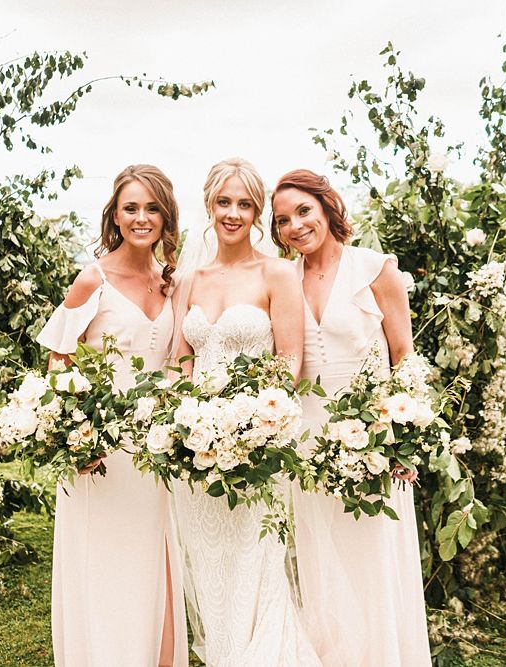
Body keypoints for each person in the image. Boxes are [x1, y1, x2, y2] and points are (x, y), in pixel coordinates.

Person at [271, 169, 431, 666]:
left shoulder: (375, 269)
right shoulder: (285, 280)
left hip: (375, 436)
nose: (295, 226)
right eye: (282, 220)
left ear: (326, 206)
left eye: (303, 211)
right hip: (308, 440)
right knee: (323, 561)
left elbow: (405, 355)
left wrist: (405, 437)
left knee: (372, 557)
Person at [170, 157, 321, 667]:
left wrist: (253, 426)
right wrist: (182, 424)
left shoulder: (277, 272)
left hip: (256, 445)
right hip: (198, 446)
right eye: (224, 201)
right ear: (209, 203)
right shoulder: (192, 278)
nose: (233, 213)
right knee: (209, 560)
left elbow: (290, 361)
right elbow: (180, 361)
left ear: (257, 211)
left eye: (245, 204)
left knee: (254, 561)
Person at [36, 165, 187, 666]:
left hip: (154, 453)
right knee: (103, 567)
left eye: (151, 208)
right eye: (131, 208)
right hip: (98, 453)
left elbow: (177, 367)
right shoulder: (92, 279)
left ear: (165, 216)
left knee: (153, 565)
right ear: (115, 216)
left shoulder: (171, 284)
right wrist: (75, 439)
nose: (141, 218)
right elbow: (60, 367)